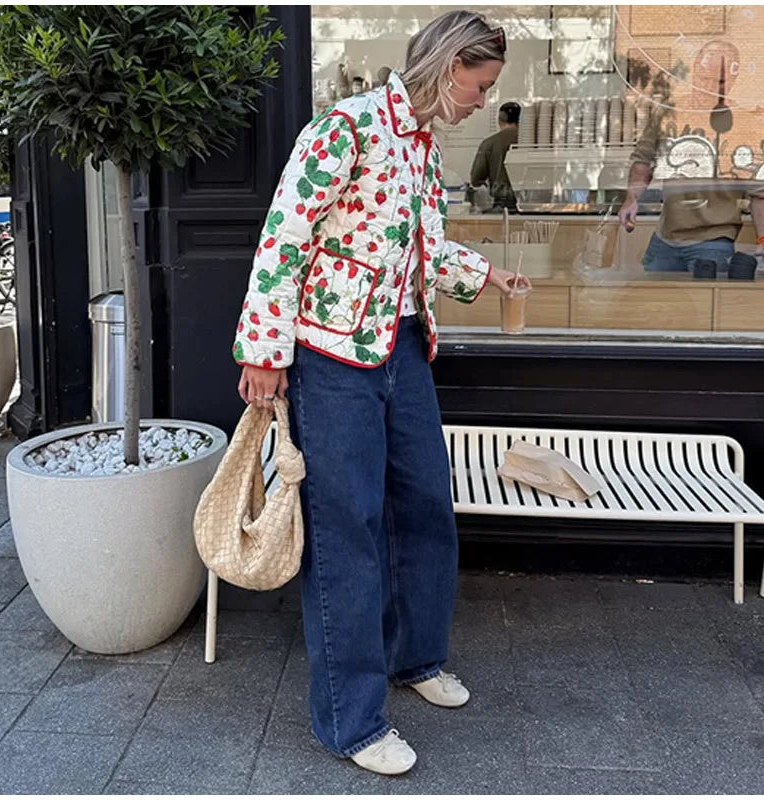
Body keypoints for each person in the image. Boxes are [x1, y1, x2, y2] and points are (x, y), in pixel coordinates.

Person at [234, 10, 529, 776]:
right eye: (481, 84)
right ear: (449, 66)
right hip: (332, 359)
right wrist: (264, 350)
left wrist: (485, 275)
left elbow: (419, 244)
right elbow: (285, 237)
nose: (482, 100)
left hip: (402, 346)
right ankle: (352, 721)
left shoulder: (423, 145)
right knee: (348, 531)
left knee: (426, 505)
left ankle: (415, 657)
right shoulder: (347, 128)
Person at [619, 103, 764, 271]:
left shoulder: (741, 120)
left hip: (712, 241)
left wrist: (762, 239)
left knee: (669, 288)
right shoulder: (669, 108)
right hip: (666, 238)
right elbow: (644, 160)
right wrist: (631, 199)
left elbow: (758, 191)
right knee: (653, 287)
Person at [469, 100, 521, 209]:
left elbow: (476, 178)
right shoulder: (531, 141)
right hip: (529, 202)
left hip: (501, 204)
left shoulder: (489, 143)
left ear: (499, 120)